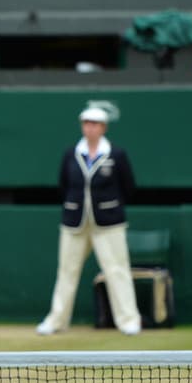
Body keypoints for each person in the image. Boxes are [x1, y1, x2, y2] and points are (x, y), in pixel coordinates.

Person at [36, 107, 142, 337]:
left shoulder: (117, 154)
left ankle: (128, 321)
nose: (89, 127)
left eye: (94, 123)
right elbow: (64, 186)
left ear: (103, 127)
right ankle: (56, 321)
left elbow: (129, 187)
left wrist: (108, 207)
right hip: (75, 222)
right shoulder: (70, 154)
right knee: (66, 271)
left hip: (109, 223)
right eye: (86, 123)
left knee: (117, 270)